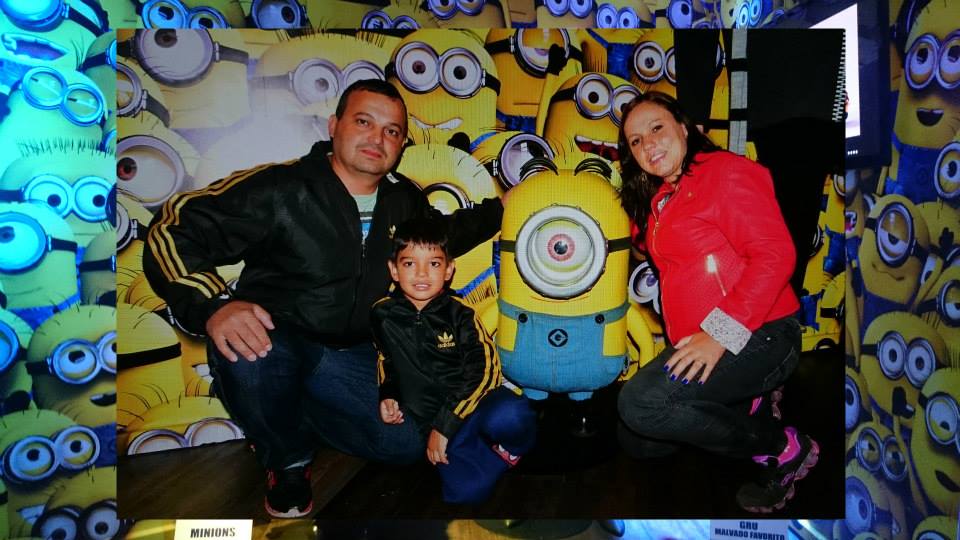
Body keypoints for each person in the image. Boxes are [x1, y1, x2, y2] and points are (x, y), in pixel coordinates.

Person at [142, 80, 503, 518]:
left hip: (358, 353)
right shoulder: (281, 186)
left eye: (392, 131)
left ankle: (289, 414)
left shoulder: (404, 198)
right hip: (277, 343)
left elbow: (443, 235)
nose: (377, 138)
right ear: (334, 125)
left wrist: (500, 210)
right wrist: (215, 303)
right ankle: (286, 460)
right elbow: (173, 228)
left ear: (402, 144)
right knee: (250, 351)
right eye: (364, 122)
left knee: (407, 443)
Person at [614, 91, 817, 513]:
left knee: (641, 405)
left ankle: (781, 447)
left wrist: (718, 336)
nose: (648, 144)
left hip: (761, 335)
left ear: (684, 128)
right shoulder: (662, 199)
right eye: (635, 140)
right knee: (639, 441)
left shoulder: (725, 172)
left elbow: (776, 254)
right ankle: (750, 404)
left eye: (656, 128)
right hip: (704, 340)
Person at [371, 217, 536, 504]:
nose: (421, 274)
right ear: (394, 270)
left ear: (449, 270)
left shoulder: (461, 314)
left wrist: (444, 426)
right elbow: (386, 359)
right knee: (463, 494)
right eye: (409, 263)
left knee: (513, 415)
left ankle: (512, 447)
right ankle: (487, 452)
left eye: (434, 264)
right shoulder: (381, 314)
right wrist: (388, 395)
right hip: (434, 420)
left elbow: (485, 371)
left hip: (476, 405)